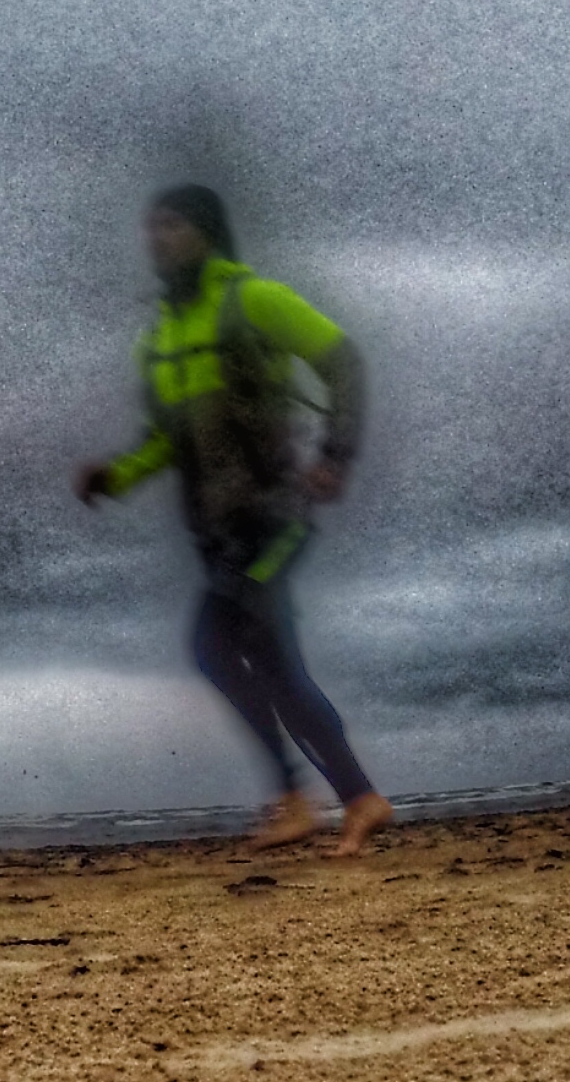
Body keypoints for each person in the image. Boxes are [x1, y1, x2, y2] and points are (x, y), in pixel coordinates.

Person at [77, 184, 396, 858]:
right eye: (150, 227)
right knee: (262, 659)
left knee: (220, 642)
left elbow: (343, 363)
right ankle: (351, 799)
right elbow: (166, 440)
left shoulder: (255, 300)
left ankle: (308, 798)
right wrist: (117, 476)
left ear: (207, 232)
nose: (156, 239)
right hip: (216, 530)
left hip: (275, 516)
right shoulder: (156, 340)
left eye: (171, 225)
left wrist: (336, 454)